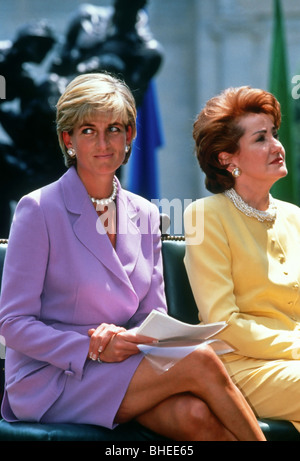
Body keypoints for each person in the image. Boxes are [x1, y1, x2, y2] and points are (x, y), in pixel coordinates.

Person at [0, 74, 264, 441]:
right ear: (68, 139)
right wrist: (91, 346)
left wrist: (127, 338)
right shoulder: (38, 209)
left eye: (115, 129)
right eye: (89, 130)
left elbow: (149, 317)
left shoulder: (144, 214)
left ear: (130, 136)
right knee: (201, 361)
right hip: (53, 378)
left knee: (195, 416)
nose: (104, 142)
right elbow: (13, 323)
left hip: (124, 366)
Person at [184, 85, 300, 433]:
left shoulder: (295, 216)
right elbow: (223, 320)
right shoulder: (204, 216)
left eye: (274, 135)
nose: (277, 147)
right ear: (227, 158)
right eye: (261, 138)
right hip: (241, 368)